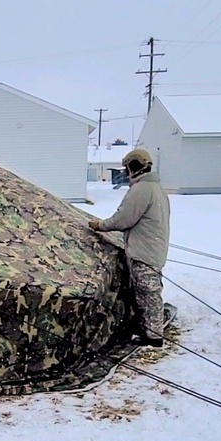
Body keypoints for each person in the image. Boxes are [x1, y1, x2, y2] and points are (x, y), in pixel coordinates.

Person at [89, 148, 170, 347]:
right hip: (153, 248)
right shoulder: (156, 188)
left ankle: (153, 336)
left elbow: (123, 218)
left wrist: (100, 226)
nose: (126, 173)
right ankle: (148, 329)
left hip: (144, 251)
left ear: (134, 167)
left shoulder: (141, 190)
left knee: (147, 293)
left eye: (127, 168)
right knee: (147, 292)